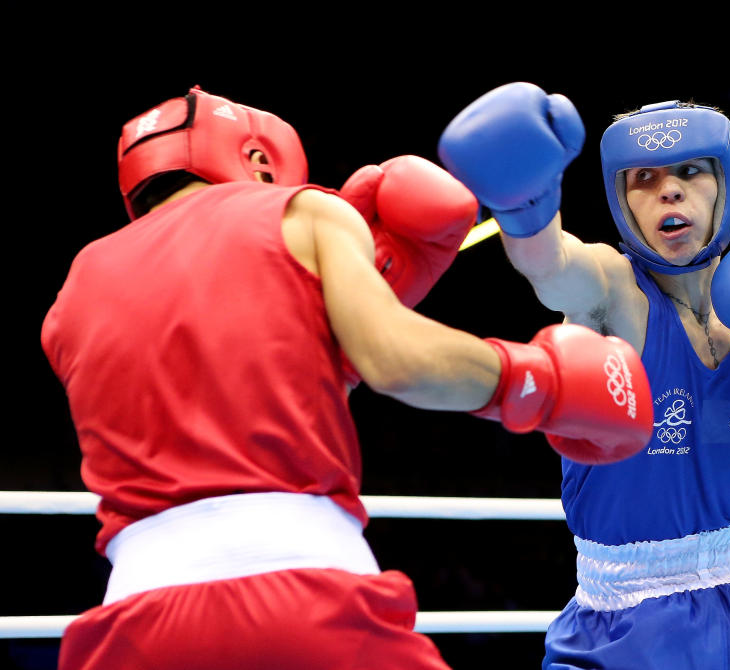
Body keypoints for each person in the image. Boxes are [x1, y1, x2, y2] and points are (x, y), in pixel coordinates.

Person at [40, 86, 656, 670]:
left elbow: (229, 401)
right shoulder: (303, 210)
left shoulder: (74, 291)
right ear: (258, 160)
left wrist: (328, 345)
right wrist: (539, 381)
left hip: (134, 616)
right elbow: (398, 360)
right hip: (305, 590)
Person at [438, 82, 730, 669]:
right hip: (629, 620)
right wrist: (525, 206)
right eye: (644, 178)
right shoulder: (616, 290)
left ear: (724, 184)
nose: (669, 189)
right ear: (622, 200)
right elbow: (553, 267)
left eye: (689, 169)